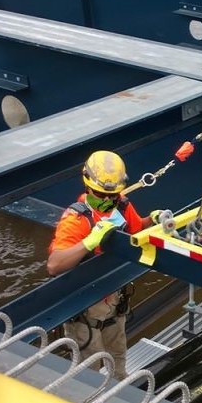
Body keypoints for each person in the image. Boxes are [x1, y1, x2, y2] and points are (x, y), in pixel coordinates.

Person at [48, 150, 161, 380]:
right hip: (87, 304)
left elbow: (137, 229)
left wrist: (154, 220)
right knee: (89, 364)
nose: (108, 201)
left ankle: (120, 388)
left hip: (114, 300)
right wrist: (89, 242)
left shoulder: (121, 205)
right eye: (101, 195)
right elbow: (55, 265)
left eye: (113, 196)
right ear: (88, 187)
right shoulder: (76, 220)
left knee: (118, 353)